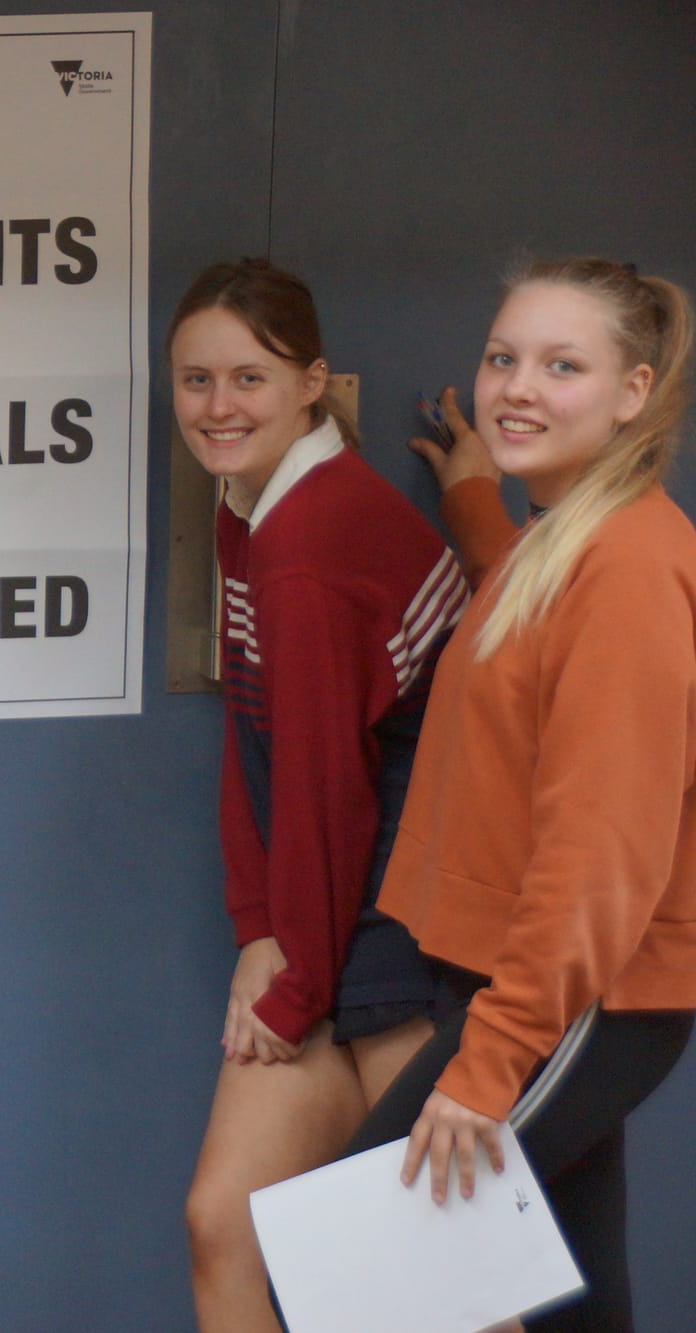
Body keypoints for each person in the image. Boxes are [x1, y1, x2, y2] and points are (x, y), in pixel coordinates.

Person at [345, 257, 696, 1333]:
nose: (515, 388)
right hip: (530, 981)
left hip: (578, 998)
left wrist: (486, 1063)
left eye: (560, 365)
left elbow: (600, 854)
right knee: (564, 1300)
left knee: (357, 1256)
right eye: (502, 358)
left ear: (633, 392)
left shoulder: (628, 567)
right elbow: (528, 626)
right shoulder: (557, 542)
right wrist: (469, 498)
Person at [171, 260, 469, 1332]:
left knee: (450, 1279)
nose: (216, 407)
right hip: (329, 914)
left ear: (312, 384)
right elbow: (254, 744)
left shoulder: (305, 540)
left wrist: (290, 988)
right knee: (225, 1224)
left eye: (246, 378)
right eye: (194, 380)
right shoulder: (250, 503)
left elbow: (326, 798)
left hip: (401, 925)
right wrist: (259, 929)